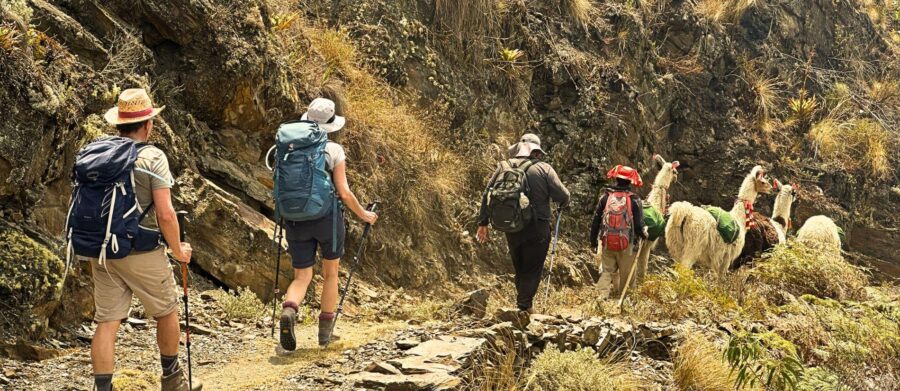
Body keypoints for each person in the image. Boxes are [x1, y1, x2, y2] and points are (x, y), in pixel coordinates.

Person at [88, 88, 200, 390]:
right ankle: (172, 379)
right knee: (166, 311)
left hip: (103, 250)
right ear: (148, 124)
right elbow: (165, 213)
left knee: (107, 322)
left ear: (118, 124)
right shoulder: (152, 156)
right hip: (142, 251)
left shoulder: (97, 152)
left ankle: (102, 388)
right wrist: (178, 250)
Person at [279, 98, 378, 350]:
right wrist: (364, 214)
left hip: (294, 217)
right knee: (331, 273)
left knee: (302, 275)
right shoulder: (332, 150)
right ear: (330, 124)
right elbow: (344, 192)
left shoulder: (287, 147)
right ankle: (325, 333)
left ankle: (289, 311)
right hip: (326, 218)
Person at [476, 133, 570, 313]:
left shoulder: (503, 167)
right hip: (538, 227)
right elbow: (564, 195)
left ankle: (523, 305)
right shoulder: (544, 169)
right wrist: (562, 204)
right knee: (532, 267)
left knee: (519, 266)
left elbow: (487, 194)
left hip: (511, 225)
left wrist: (483, 223)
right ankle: (524, 307)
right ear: (536, 152)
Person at [590, 165, 648, 297]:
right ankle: (625, 302)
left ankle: (600, 298)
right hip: (626, 246)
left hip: (607, 243)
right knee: (627, 276)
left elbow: (596, 221)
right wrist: (644, 234)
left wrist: (593, 242)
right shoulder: (634, 199)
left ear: (616, 179)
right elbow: (639, 225)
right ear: (630, 182)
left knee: (606, 271)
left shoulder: (605, 197)